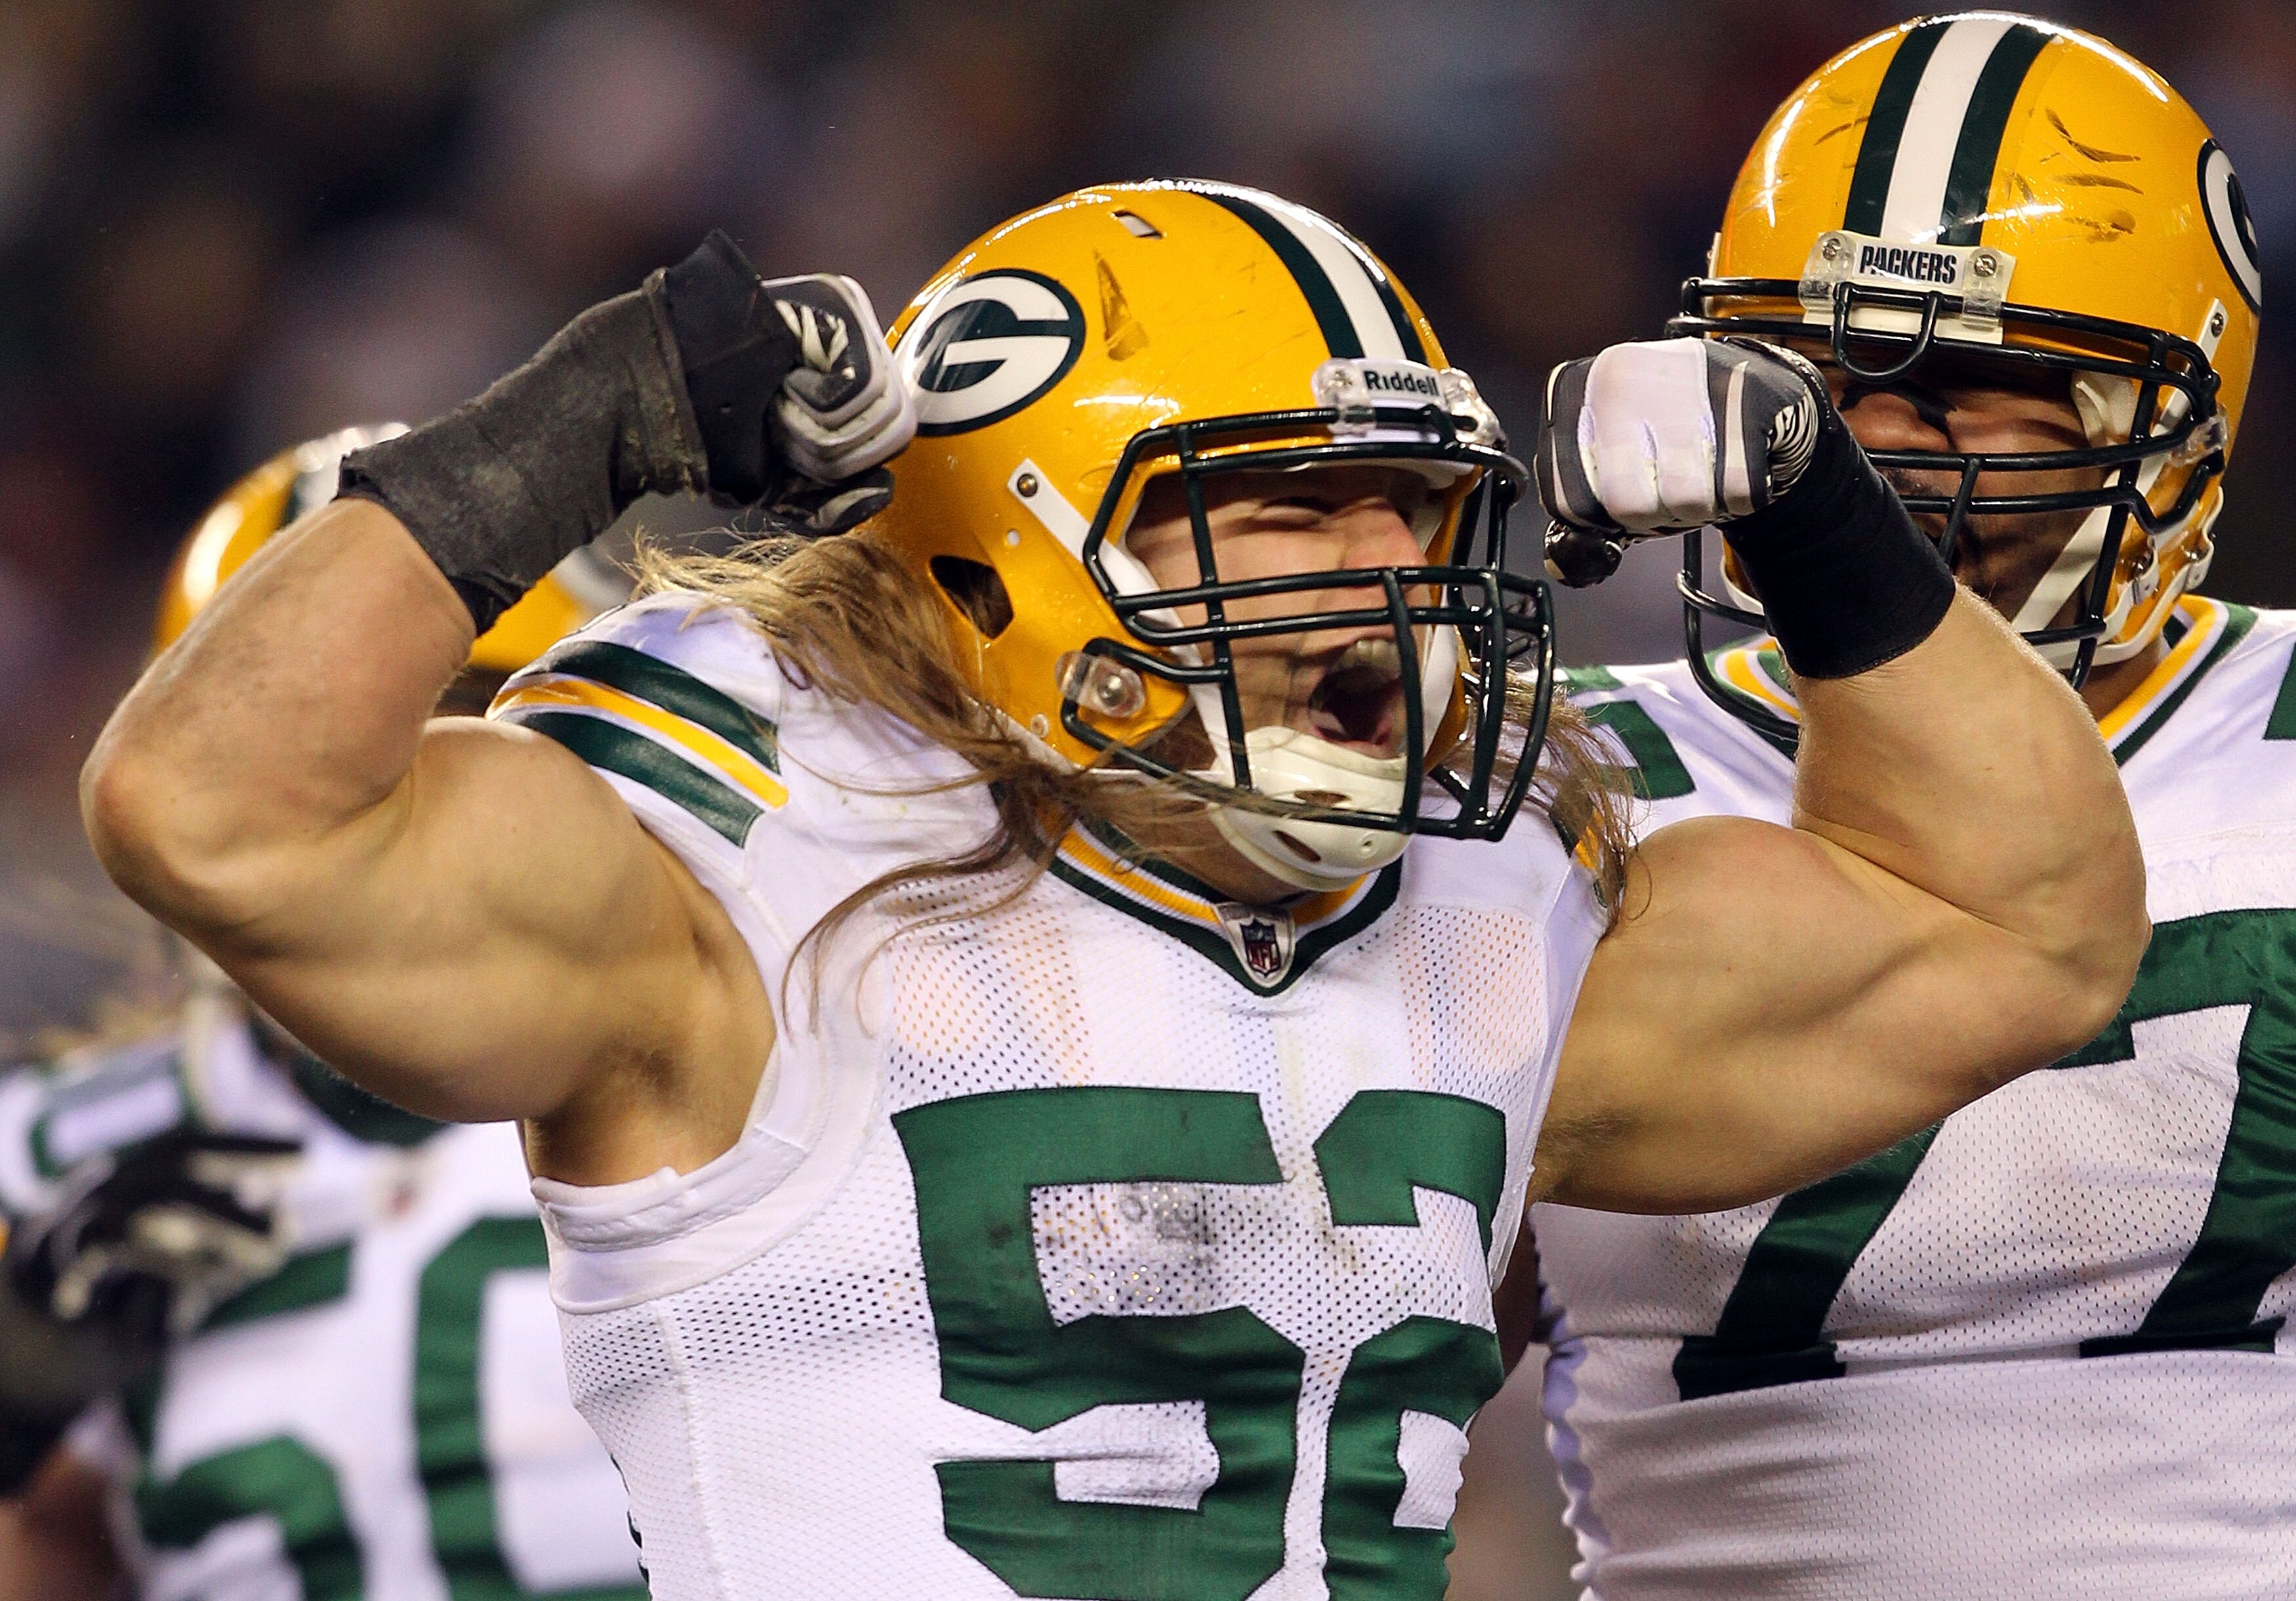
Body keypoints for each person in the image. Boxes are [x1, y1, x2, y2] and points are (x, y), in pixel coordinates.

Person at [79, 184, 2143, 1600]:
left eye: (1409, 510)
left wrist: (1821, 515)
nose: (1379, 583)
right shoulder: (736, 843)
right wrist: (568, 429)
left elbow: (2024, 928)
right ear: (1008, 549)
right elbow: (217, 813)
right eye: (1287, 512)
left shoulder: (1490, 908)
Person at [1512, 16, 2289, 1598]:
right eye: (1815, 379)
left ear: (2176, 432)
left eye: (1966, 388)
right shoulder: (1549, 790)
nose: (1865, 449)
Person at [0, 430, 649, 1599]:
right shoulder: (50, 1156)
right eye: (291, 759)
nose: (362, 814)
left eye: (459, 728)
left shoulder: (768, 1049)